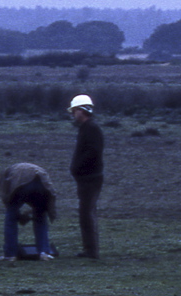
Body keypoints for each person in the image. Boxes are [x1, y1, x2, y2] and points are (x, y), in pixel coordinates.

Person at [0, 162, 58, 262]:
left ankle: (10, 254)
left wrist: (17, 215)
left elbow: (7, 198)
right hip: (42, 182)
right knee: (40, 216)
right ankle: (44, 252)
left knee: (10, 219)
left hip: (21, 183)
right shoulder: (26, 168)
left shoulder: (5, 175)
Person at [68, 93, 104, 259]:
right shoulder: (87, 128)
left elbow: (93, 152)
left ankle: (92, 252)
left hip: (90, 179)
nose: (73, 114)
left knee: (87, 214)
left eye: (74, 111)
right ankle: (89, 250)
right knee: (85, 214)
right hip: (86, 179)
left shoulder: (91, 129)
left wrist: (78, 166)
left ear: (81, 111)